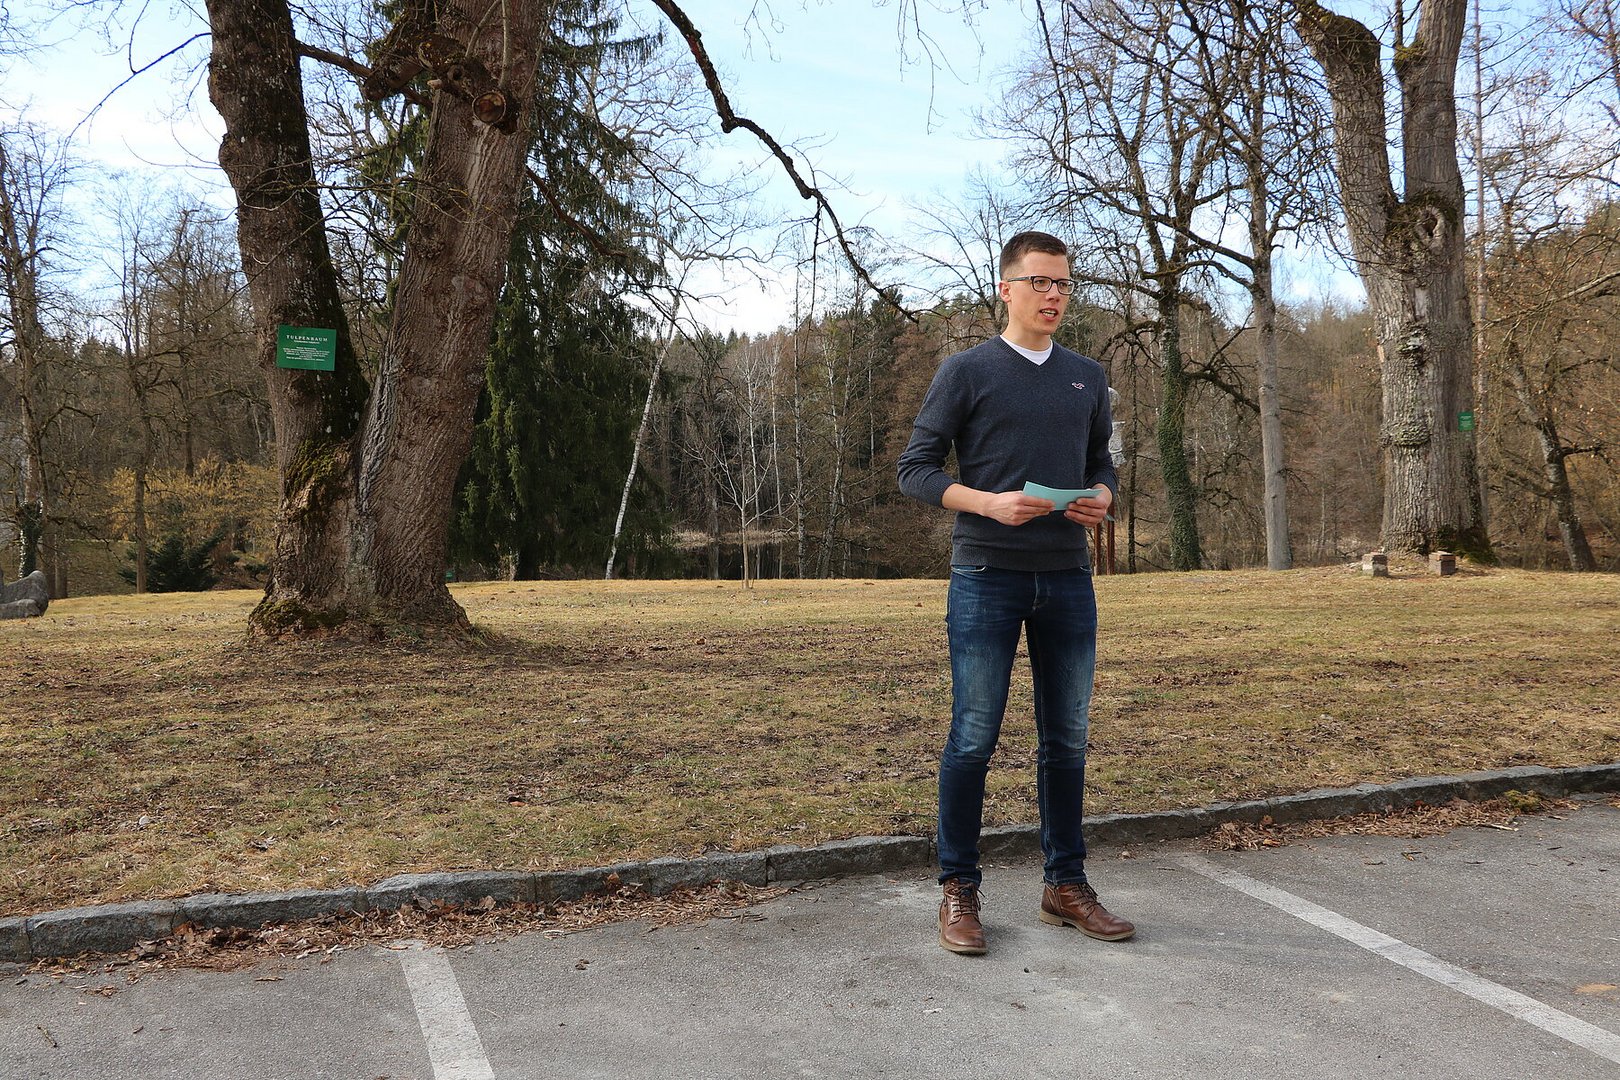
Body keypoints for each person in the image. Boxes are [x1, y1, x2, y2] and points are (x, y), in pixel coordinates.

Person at [896, 230, 1134, 955]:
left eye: (1063, 284)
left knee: (1067, 738)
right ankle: (958, 889)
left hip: (1067, 577)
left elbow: (1102, 464)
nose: (1054, 295)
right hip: (985, 576)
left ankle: (1066, 886)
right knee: (974, 734)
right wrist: (987, 503)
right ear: (1007, 289)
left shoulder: (1087, 376)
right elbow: (915, 469)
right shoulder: (966, 371)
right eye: (1040, 282)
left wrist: (1103, 495)